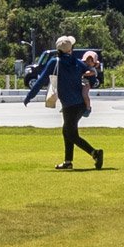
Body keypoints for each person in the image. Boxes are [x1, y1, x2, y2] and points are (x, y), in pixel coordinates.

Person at [28, 36, 105, 170]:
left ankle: (95, 153)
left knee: (71, 134)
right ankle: (68, 162)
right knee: (67, 132)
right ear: (70, 49)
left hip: (70, 105)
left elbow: (41, 80)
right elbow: (92, 75)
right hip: (79, 104)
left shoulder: (54, 62)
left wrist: (30, 96)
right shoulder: (76, 62)